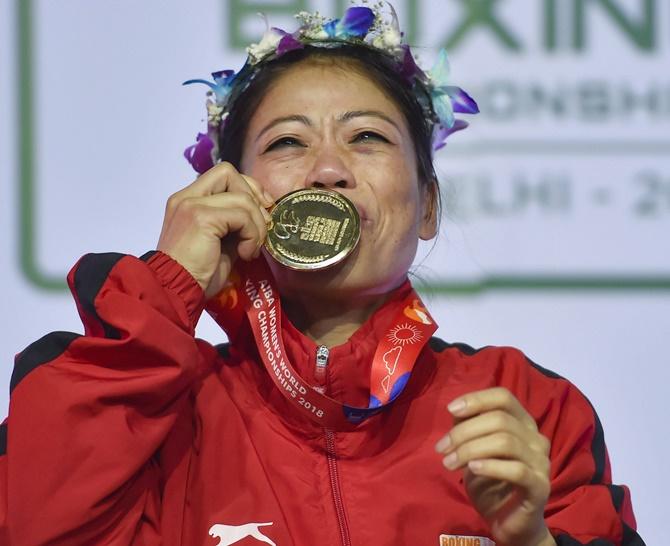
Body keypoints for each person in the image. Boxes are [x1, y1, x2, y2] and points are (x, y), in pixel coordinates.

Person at [0, 5, 643, 546]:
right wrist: (169, 285)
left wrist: (534, 541)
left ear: (427, 206)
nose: (327, 171)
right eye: (286, 143)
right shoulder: (151, 407)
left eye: (367, 137)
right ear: (230, 191)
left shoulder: (527, 407)